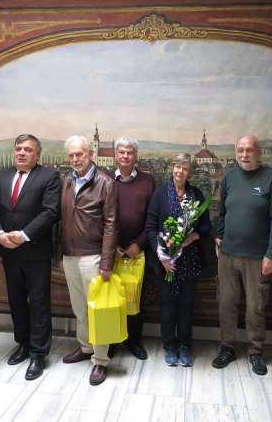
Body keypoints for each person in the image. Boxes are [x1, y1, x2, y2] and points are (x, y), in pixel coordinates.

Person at [0, 134, 61, 381]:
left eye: (27, 149)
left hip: (36, 251)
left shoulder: (48, 176)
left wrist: (24, 235)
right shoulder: (2, 176)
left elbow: (51, 212)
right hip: (8, 250)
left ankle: (38, 353)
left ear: (37, 154)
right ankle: (23, 344)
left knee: (39, 303)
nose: (21, 153)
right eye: (18, 148)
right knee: (16, 300)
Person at [212, 135, 272, 375]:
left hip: (258, 257)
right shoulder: (229, 177)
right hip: (228, 254)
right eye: (240, 150)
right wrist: (218, 235)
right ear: (236, 153)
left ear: (259, 152)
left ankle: (256, 352)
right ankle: (227, 348)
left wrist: (271, 255)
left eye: (249, 150)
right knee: (226, 304)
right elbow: (223, 211)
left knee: (256, 307)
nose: (245, 155)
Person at [56, 135, 119, 386]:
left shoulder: (105, 183)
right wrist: (60, 253)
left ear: (90, 154)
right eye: (71, 155)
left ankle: (101, 360)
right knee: (79, 308)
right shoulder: (67, 181)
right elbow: (61, 220)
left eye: (79, 154)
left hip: (93, 256)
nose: (75, 159)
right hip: (70, 255)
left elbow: (112, 225)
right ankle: (85, 347)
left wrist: (106, 262)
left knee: (97, 310)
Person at [145, 153, 212, 367]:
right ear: (172, 168)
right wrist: (161, 255)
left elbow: (206, 225)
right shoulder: (160, 194)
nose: (180, 171)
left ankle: (184, 346)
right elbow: (150, 227)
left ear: (190, 172)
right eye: (177, 167)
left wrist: (195, 235)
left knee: (186, 305)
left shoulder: (196, 194)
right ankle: (169, 347)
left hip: (190, 260)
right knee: (167, 305)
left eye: (184, 168)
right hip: (166, 263)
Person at [107, 137, 157, 360]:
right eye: (122, 152)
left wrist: (140, 243)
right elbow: (97, 216)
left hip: (138, 251)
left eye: (130, 152)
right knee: (111, 297)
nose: (125, 156)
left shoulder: (148, 182)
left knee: (134, 298)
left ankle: (133, 341)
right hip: (111, 251)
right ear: (115, 155)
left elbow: (154, 217)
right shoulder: (105, 179)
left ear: (136, 156)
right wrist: (111, 245)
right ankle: (110, 340)